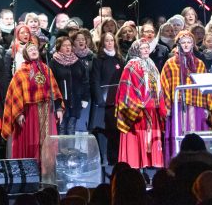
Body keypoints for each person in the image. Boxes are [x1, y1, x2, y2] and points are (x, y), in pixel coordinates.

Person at [1, 43, 64, 160]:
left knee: (47, 141)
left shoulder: (46, 69)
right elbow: (15, 94)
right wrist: (18, 114)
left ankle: (46, 165)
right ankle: (32, 165)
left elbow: (54, 90)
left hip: (47, 110)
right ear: (26, 54)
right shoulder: (21, 72)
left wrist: (59, 108)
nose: (34, 51)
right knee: (32, 141)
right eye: (30, 50)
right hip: (30, 112)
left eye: (35, 49)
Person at [115, 39, 166, 169]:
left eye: (147, 47)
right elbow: (125, 89)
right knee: (136, 139)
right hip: (138, 112)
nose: (146, 50)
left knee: (150, 139)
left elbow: (158, 88)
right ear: (136, 50)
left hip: (152, 109)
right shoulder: (131, 66)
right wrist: (137, 105)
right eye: (142, 48)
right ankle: (136, 167)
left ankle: (148, 165)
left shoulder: (152, 65)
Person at [160, 31, 210, 160]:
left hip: (196, 104)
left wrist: (206, 107)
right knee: (178, 133)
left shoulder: (199, 63)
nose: (186, 45)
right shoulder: (170, 63)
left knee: (197, 134)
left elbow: (204, 86)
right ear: (178, 44)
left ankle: (198, 161)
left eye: (189, 42)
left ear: (193, 44)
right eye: (183, 42)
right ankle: (179, 162)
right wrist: (167, 106)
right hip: (177, 105)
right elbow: (165, 85)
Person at [89, 32, 124, 165]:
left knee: (116, 131)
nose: (109, 43)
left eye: (111, 40)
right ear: (103, 43)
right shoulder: (98, 59)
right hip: (103, 103)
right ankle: (103, 159)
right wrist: (99, 100)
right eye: (107, 41)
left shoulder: (120, 59)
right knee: (103, 131)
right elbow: (95, 80)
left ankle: (114, 159)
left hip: (117, 101)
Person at [49, 37, 89, 135]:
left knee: (71, 129)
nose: (67, 48)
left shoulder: (77, 62)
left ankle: (71, 146)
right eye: (64, 45)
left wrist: (85, 98)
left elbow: (85, 81)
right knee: (61, 130)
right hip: (61, 103)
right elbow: (52, 85)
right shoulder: (53, 63)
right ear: (59, 47)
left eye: (69, 45)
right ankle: (60, 147)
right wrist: (57, 105)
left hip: (75, 102)